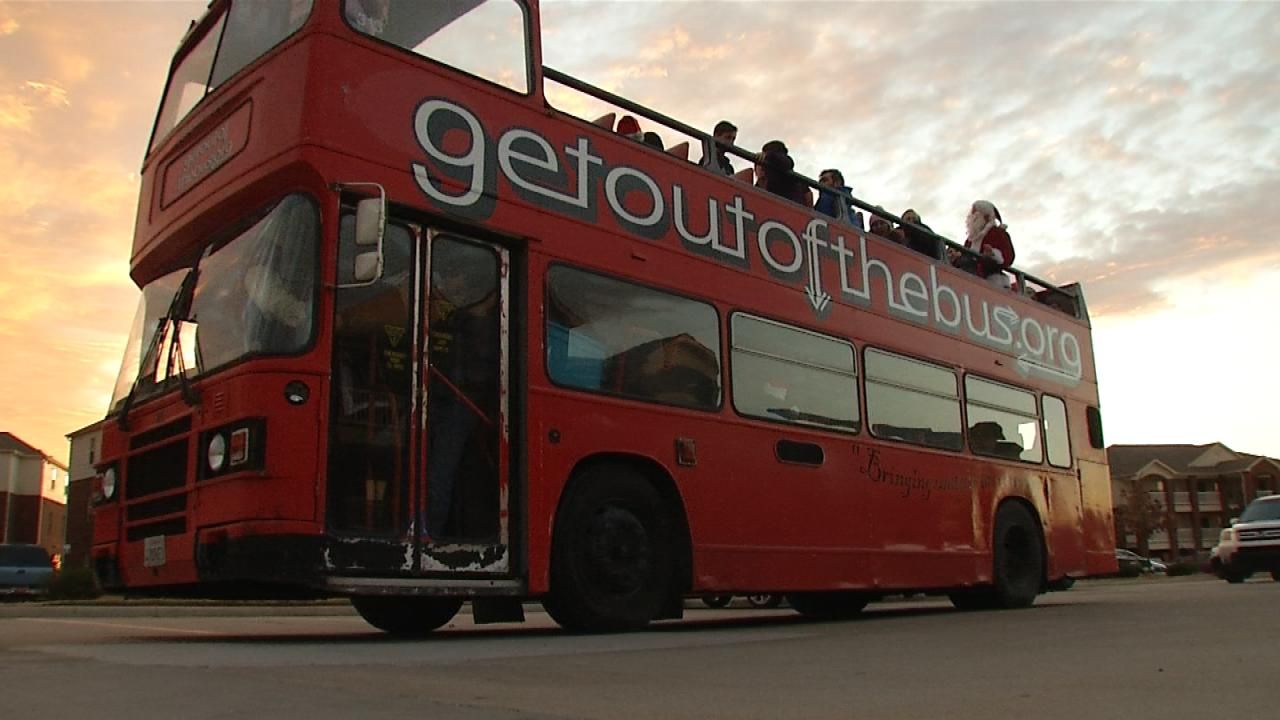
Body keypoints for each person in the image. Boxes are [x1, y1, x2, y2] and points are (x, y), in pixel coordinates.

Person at [950, 200, 1014, 286]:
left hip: (991, 280)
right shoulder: (970, 239)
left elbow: (1008, 256)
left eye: (975, 215)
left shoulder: (999, 233)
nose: (971, 218)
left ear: (986, 217)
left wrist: (993, 254)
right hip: (969, 277)